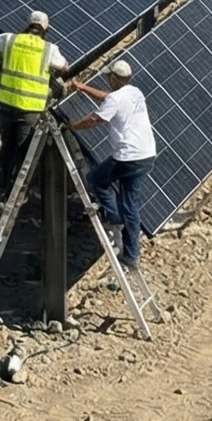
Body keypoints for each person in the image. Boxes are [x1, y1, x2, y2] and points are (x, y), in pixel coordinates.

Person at [65, 58, 158, 267]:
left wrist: (73, 127)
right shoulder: (135, 92)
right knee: (131, 205)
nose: (107, 79)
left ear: (115, 79)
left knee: (96, 179)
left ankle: (114, 217)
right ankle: (132, 255)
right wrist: (82, 87)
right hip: (146, 154)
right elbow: (108, 98)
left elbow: (96, 119)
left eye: (109, 76)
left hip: (128, 157)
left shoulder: (115, 100)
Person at [0, 9, 67, 194]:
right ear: (46, 30)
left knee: (8, 146)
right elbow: (64, 66)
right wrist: (52, 75)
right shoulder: (49, 49)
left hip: (7, 106)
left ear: (27, 25)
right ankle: (18, 190)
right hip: (29, 109)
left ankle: (4, 182)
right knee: (24, 149)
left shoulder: (10, 40)